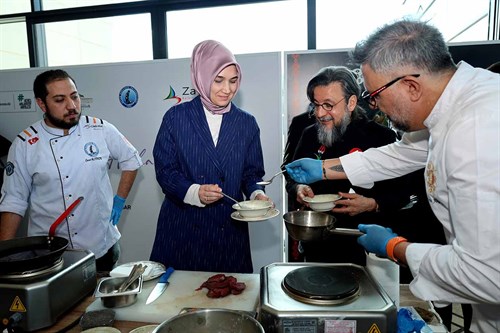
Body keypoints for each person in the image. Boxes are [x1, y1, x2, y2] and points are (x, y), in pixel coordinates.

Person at [285, 19, 500, 332]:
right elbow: (404, 153)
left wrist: (395, 248)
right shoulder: (456, 105)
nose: (376, 105)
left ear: (411, 86)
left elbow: (486, 274)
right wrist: (322, 170)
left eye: (376, 94)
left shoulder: (477, 132)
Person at [0, 69, 143, 272]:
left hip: (100, 248)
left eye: (74, 97)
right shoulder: (25, 144)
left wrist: (119, 200)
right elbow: (14, 201)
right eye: (59, 100)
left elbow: (131, 159)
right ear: (42, 104)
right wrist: (3, 255)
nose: (72, 106)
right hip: (49, 252)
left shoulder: (100, 129)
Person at [150, 40, 272, 273]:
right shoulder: (176, 118)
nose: (227, 89)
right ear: (202, 76)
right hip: (183, 230)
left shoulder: (246, 123)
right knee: (177, 303)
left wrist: (257, 193)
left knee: (232, 301)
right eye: (219, 80)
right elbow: (165, 171)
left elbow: (252, 173)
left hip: (229, 231)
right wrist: (194, 191)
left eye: (233, 81)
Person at [286, 65, 417, 266]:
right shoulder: (309, 134)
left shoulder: (381, 136)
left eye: (328, 105)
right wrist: (299, 188)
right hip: (317, 244)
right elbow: (291, 175)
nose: (320, 113)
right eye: (316, 104)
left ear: (351, 102)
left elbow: (403, 192)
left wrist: (373, 204)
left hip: (366, 246)